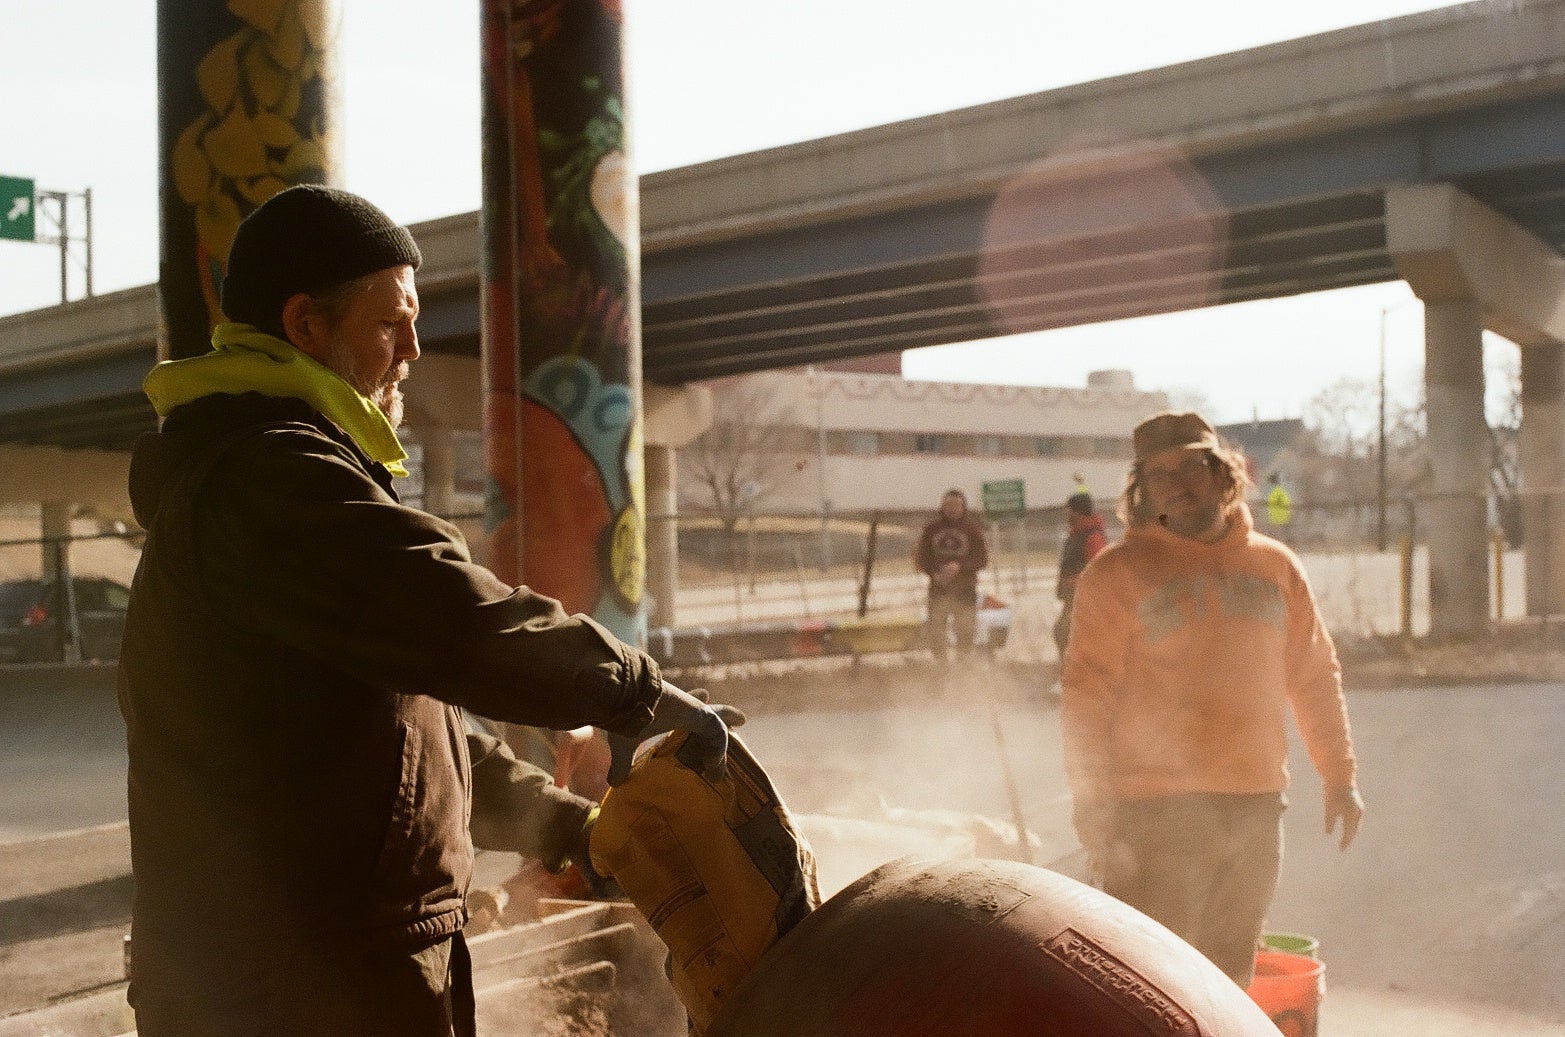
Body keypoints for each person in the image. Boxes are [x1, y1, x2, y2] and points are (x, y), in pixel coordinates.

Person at [116, 184, 741, 1037]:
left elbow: (409, 740)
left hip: (327, 966)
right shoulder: (270, 480)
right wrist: (632, 690)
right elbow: (459, 618)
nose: (414, 347)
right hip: (295, 985)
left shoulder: (266, 473)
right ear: (304, 324)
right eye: (388, 323)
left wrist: (569, 826)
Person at [1059, 411, 1364, 989]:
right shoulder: (1115, 575)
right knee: (1154, 985)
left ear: (1224, 474)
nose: (1178, 481)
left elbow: (1314, 674)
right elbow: (1085, 697)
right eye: (1160, 472)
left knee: (1229, 979)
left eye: (1192, 465)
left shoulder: (1276, 566)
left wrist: (1339, 774)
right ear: (1141, 490)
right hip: (1151, 813)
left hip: (1253, 805)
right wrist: (1092, 798)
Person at [915, 488, 989, 661]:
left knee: (965, 629)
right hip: (939, 587)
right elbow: (922, 557)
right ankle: (941, 662)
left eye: (956, 505)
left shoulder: (972, 530)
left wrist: (960, 567)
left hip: (965, 587)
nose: (952, 509)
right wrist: (934, 573)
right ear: (942, 506)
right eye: (948, 504)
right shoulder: (931, 529)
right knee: (936, 627)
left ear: (963, 507)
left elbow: (982, 559)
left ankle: (962, 663)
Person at [1052, 490, 1108, 660]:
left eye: (1069, 510)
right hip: (1073, 597)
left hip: (1085, 597)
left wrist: (1075, 583)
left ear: (1077, 511)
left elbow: (1100, 570)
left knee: (1066, 633)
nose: (1066, 514)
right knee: (1063, 633)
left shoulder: (1093, 537)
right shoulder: (1077, 535)